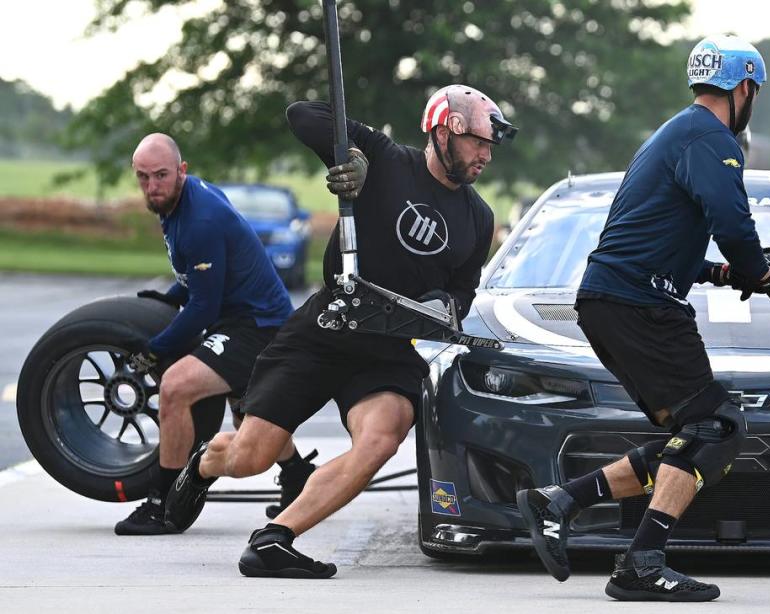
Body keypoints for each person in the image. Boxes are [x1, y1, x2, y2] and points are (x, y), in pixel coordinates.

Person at [163, 85, 516, 578]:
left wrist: (447, 305)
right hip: (326, 329)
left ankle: (274, 539)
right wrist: (352, 155)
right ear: (442, 133)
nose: (485, 154)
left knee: (380, 439)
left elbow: (464, 290)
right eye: (478, 142)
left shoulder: (478, 217)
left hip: (389, 350)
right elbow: (302, 113)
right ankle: (204, 463)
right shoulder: (387, 159)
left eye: (490, 146)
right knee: (250, 457)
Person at [516, 35, 770, 602]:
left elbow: (661, 241)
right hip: (639, 306)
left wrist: (726, 274)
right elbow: (733, 224)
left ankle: (559, 501)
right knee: (716, 429)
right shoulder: (713, 140)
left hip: (617, 300)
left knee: (692, 433)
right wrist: (756, 269)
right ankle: (641, 564)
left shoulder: (675, 135)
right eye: (754, 92)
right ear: (744, 88)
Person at [116, 133, 361, 534]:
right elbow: (201, 279)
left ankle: (162, 505)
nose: (152, 187)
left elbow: (203, 308)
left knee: (175, 387)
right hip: (243, 319)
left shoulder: (201, 218)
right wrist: (167, 297)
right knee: (251, 413)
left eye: (160, 175)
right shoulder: (181, 202)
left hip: (256, 326)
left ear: (182, 170)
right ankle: (298, 475)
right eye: (143, 177)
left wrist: (154, 350)